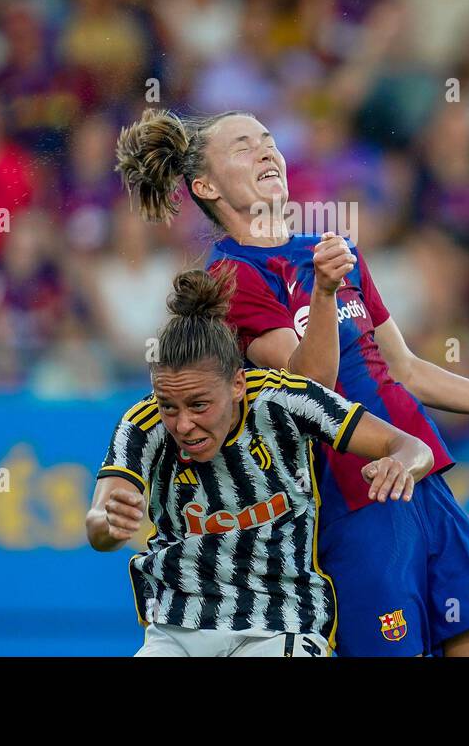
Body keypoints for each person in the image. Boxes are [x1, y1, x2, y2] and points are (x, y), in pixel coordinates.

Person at [115, 109, 469, 657]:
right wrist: (325, 294)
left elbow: (405, 370)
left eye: (268, 139)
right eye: (243, 147)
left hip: (421, 479)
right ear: (206, 186)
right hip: (354, 502)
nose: (266, 151)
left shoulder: (334, 254)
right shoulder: (233, 276)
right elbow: (311, 388)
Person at [86, 268, 433, 657]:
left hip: (280, 623)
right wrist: (110, 526)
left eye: (199, 405)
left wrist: (402, 464)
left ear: (237, 384)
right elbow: (98, 522)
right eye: (169, 406)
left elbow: (410, 446)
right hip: (177, 629)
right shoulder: (143, 424)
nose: (183, 424)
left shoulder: (285, 401)